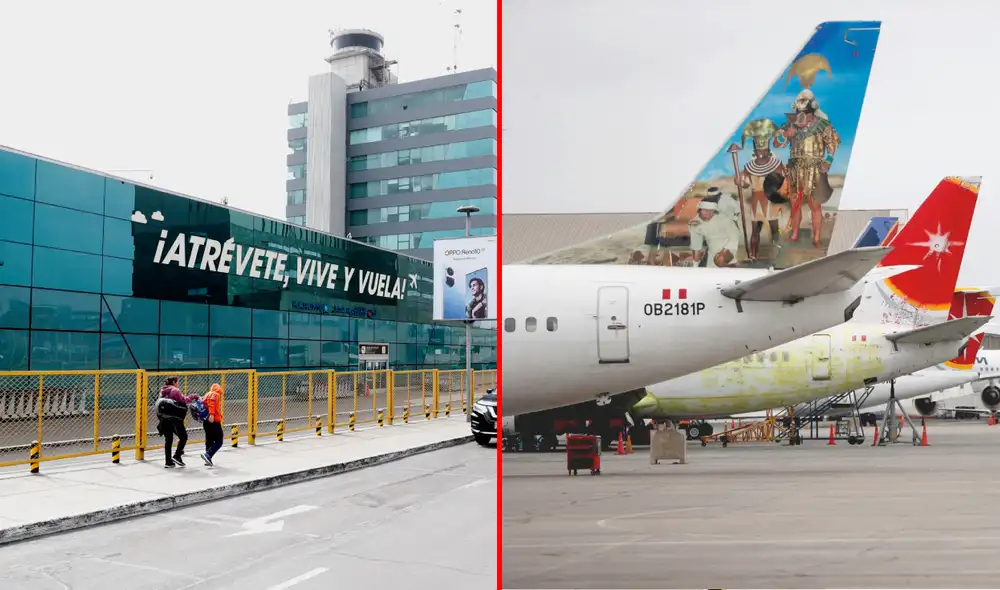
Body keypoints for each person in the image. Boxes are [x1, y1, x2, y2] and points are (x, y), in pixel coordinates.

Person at [156, 376, 199, 468]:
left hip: (164, 418)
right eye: (178, 382)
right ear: (174, 382)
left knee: (168, 440)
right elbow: (184, 400)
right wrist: (194, 396)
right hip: (175, 418)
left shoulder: (162, 391)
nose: (178, 384)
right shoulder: (175, 391)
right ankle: (177, 455)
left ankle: (168, 462)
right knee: (183, 437)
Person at [200, 383, 224, 467]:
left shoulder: (206, 394)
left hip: (206, 421)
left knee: (209, 439)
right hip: (213, 420)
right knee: (219, 441)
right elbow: (212, 403)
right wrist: (212, 414)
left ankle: (208, 458)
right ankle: (208, 455)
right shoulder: (215, 394)